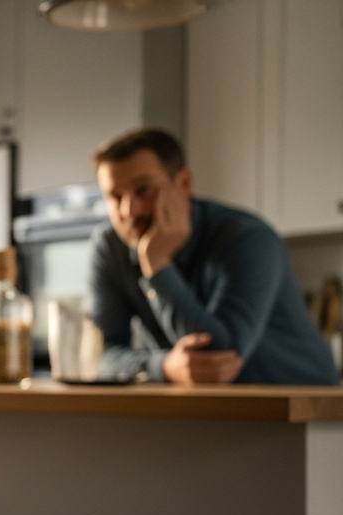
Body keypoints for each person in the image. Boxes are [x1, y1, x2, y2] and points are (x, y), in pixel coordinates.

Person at [90, 128, 338, 385]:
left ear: (184, 183)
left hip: (305, 410)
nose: (129, 210)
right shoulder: (109, 247)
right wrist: (163, 366)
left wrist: (156, 265)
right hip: (212, 410)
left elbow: (218, 357)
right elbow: (98, 353)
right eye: (115, 196)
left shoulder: (249, 238)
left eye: (143, 190)